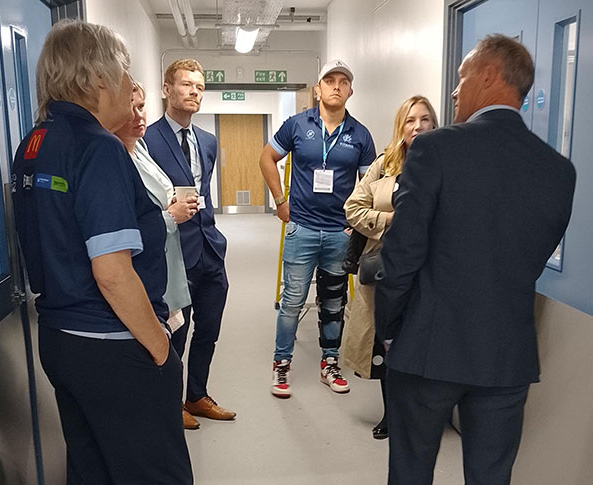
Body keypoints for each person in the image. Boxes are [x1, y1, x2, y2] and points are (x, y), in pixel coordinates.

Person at [375, 34, 576, 485]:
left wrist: (390, 328)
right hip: (506, 355)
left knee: (412, 473)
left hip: (428, 346)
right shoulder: (559, 171)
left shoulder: (437, 149)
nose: (457, 91)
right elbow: (527, 261)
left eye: (462, 79)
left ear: (489, 75)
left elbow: (402, 256)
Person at [11, 21, 193, 485]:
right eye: (122, 72)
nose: (127, 83)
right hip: (114, 347)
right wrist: (160, 347)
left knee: (94, 479)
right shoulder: (98, 149)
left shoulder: (35, 143)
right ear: (95, 78)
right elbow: (112, 272)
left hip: (62, 340)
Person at [260, 59, 376, 398]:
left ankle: (330, 363)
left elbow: (370, 184)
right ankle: (281, 365)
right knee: (292, 302)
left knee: (333, 303)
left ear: (350, 90)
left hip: (340, 234)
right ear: (318, 88)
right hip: (302, 230)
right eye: (330, 80)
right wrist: (281, 202)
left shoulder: (360, 134)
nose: (336, 86)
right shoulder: (297, 125)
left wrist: (356, 224)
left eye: (343, 81)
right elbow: (267, 158)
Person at [144, 58, 236, 425]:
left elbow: (204, 195)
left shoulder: (208, 142)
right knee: (176, 333)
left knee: (208, 329)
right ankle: (169, 404)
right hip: (173, 254)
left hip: (209, 250)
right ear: (167, 90)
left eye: (199, 86)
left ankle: (196, 395)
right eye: (186, 85)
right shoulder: (147, 140)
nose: (194, 92)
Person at [343, 96, 437, 439]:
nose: (418, 126)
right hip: (384, 270)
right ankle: (392, 415)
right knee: (386, 343)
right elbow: (353, 208)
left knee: (421, 343)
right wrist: (390, 220)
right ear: (401, 126)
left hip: (428, 272)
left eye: (425, 119)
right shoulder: (384, 165)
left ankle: (421, 416)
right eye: (410, 120)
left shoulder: (444, 163)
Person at [114, 83, 201, 430]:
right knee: (157, 355)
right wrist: (170, 216)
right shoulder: (113, 158)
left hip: (170, 263)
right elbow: (130, 226)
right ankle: (165, 413)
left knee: (178, 339)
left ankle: (175, 404)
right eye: (131, 108)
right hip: (145, 272)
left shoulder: (140, 149)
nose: (139, 116)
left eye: (141, 107)